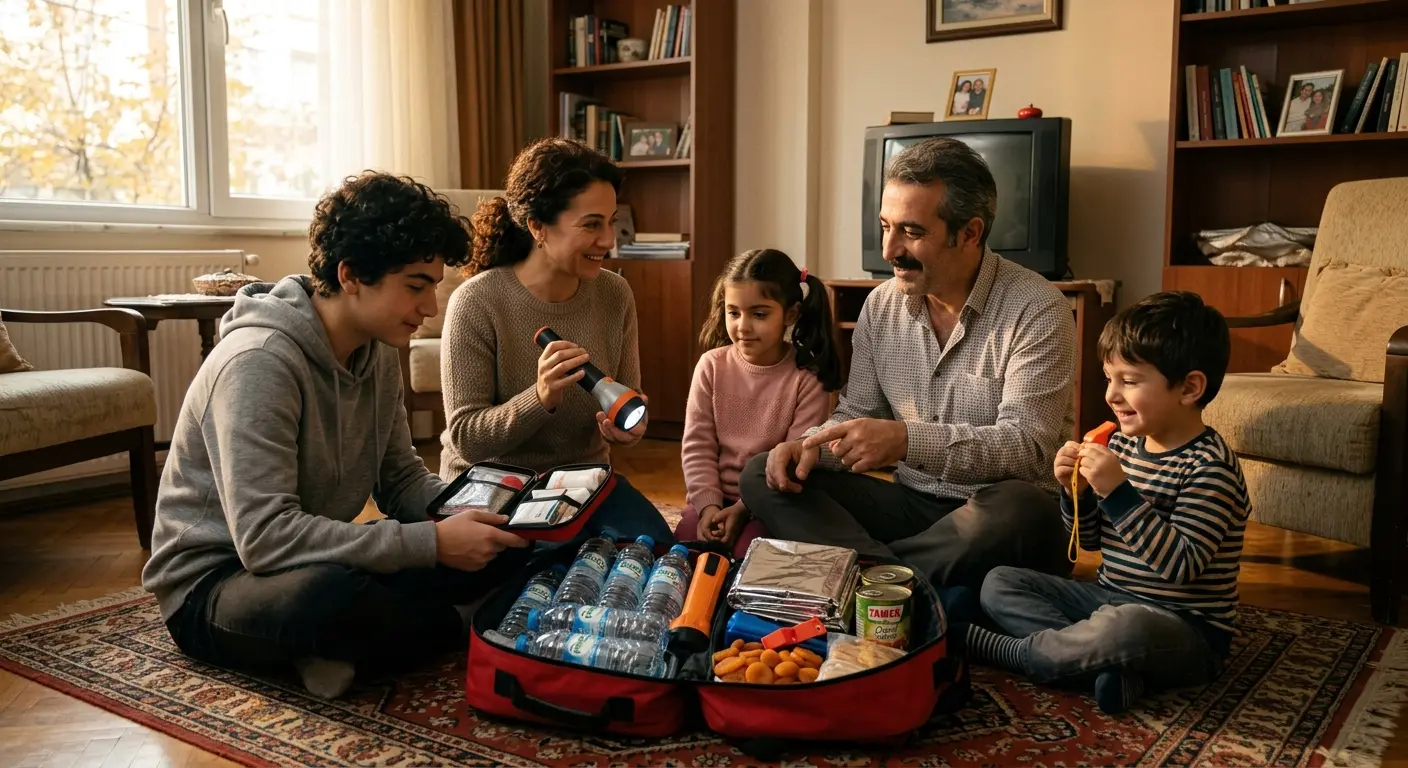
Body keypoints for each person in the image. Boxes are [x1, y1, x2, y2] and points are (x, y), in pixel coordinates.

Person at [142, 172, 529, 700]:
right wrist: (431, 543)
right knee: (327, 599)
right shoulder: (258, 362)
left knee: (505, 548)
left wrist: (475, 508)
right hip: (216, 583)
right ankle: (461, 624)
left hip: (312, 555)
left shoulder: (376, 351)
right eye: (415, 285)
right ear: (350, 275)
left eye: (434, 286)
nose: (430, 307)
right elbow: (265, 538)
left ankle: (365, 643)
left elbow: (399, 481)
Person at [738, 137, 1076, 593]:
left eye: (912, 233)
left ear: (971, 233)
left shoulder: (1037, 308)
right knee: (764, 473)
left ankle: (861, 580)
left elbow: (1027, 449)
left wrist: (907, 441)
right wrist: (807, 445)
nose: (889, 250)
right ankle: (896, 583)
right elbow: (855, 412)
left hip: (995, 514)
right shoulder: (881, 306)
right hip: (913, 509)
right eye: (885, 227)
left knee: (1023, 507)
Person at [955, 291, 1248, 715]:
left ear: (1189, 387)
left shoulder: (1211, 468)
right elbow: (1091, 541)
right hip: (1109, 600)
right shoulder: (1124, 447)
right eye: (1109, 378)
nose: (1111, 394)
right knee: (1000, 582)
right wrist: (1075, 491)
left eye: (1129, 381)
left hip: (1183, 629)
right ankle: (1099, 667)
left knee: (1126, 628)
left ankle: (1018, 654)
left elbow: (1180, 569)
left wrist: (1118, 492)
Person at [440, 137, 673, 546]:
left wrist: (626, 432)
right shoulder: (476, 302)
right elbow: (468, 439)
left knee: (656, 556)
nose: (608, 240)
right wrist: (540, 396)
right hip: (495, 486)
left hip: (580, 484)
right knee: (527, 585)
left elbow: (628, 397)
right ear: (537, 227)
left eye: (610, 221)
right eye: (591, 224)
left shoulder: (615, 294)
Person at [674, 248, 841, 556]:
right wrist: (708, 506)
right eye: (733, 312)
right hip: (712, 496)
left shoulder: (807, 379)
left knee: (750, 553)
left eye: (759, 314)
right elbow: (698, 445)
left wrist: (742, 509)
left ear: (790, 314)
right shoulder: (711, 366)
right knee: (685, 546)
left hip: (768, 500)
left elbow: (792, 461)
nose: (743, 326)